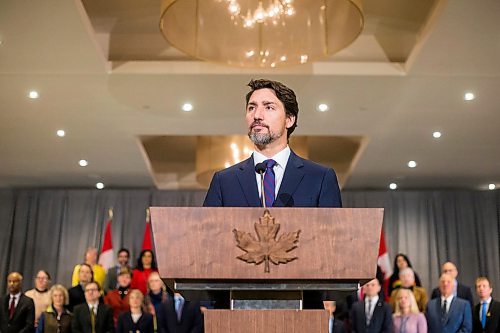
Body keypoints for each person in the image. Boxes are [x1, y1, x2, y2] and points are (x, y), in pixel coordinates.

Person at [203, 78, 342, 208]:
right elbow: (205, 232)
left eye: (268, 107)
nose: (257, 115)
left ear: (289, 120)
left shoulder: (320, 177)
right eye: (251, 108)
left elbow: (334, 232)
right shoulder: (224, 181)